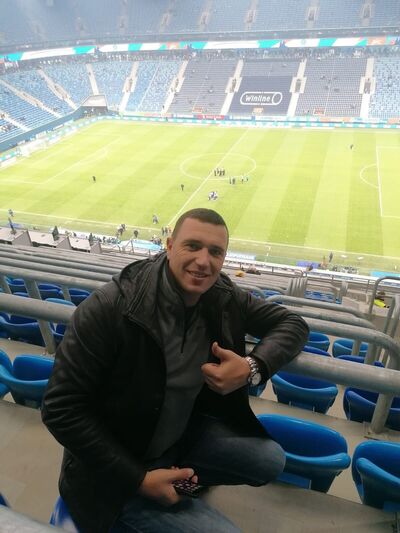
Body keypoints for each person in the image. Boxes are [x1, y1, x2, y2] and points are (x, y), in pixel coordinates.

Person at [42, 208, 308, 533]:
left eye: (215, 252)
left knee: (270, 460)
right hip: (112, 474)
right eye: (192, 246)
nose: (203, 261)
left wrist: (251, 367)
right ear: (169, 246)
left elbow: (292, 323)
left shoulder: (220, 295)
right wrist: (139, 479)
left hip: (177, 442)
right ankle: (149, 497)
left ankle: (178, 480)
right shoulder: (109, 308)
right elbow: (59, 409)